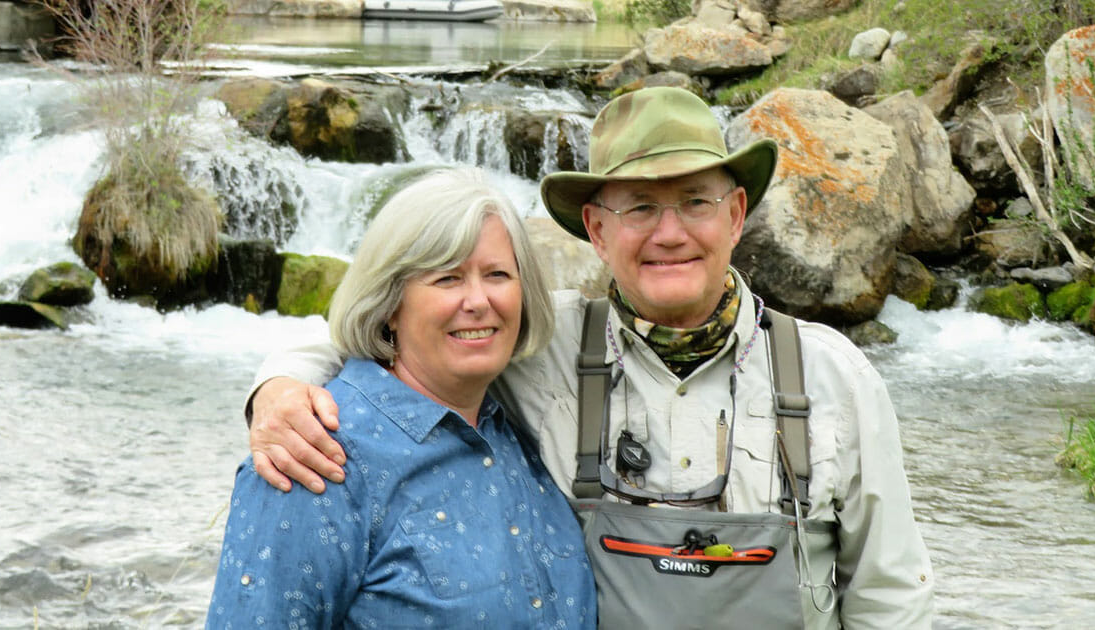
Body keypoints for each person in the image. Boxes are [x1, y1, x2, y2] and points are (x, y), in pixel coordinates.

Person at [245, 87, 934, 628]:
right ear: (598, 231)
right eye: (639, 208)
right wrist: (277, 388)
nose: (669, 234)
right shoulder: (537, 348)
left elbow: (890, 595)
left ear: (735, 216)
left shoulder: (836, 376)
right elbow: (392, 330)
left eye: (695, 201)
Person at [207, 168, 596, 628]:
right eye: (448, 278)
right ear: (390, 302)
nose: (478, 301)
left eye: (497, 274)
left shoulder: (525, 421)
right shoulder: (311, 454)